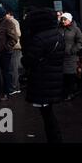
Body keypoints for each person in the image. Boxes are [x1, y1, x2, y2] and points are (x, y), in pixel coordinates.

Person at [21, 8, 65, 143]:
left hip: (43, 80)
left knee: (47, 114)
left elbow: (28, 60)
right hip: (54, 78)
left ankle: (55, 139)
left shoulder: (40, 38)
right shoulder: (58, 35)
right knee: (48, 113)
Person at [58, 12, 82, 101]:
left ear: (70, 20)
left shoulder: (76, 29)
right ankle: (64, 93)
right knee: (63, 76)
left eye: (65, 19)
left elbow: (80, 41)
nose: (63, 21)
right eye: (62, 19)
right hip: (61, 56)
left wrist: (73, 50)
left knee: (70, 76)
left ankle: (70, 93)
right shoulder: (59, 29)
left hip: (71, 57)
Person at [6, 9, 22, 96]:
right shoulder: (13, 21)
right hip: (15, 47)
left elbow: (18, 33)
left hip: (15, 47)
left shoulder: (12, 21)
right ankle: (15, 86)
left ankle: (15, 87)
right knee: (13, 68)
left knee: (13, 68)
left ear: (9, 14)